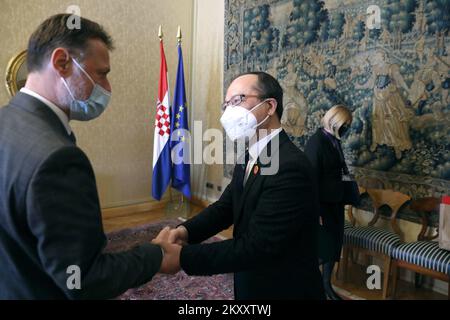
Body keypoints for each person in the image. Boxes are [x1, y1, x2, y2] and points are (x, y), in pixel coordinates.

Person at [0, 14, 178, 299]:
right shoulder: (57, 159)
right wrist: (155, 255)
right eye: (101, 73)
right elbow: (83, 280)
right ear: (62, 62)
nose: (107, 89)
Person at [153, 72, 325, 300]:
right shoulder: (250, 156)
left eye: (237, 100)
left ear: (270, 106)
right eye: (226, 105)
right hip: (252, 281)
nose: (228, 113)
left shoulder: (290, 166)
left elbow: (258, 246)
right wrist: (185, 232)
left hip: (283, 287)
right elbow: (226, 207)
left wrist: (183, 258)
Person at [304, 105, 353, 300]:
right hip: (322, 205)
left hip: (335, 202)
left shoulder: (333, 140)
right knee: (322, 247)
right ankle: (309, 283)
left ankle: (326, 284)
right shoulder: (316, 142)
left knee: (333, 246)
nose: (346, 128)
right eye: (345, 124)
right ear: (334, 121)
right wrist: (315, 213)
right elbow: (311, 180)